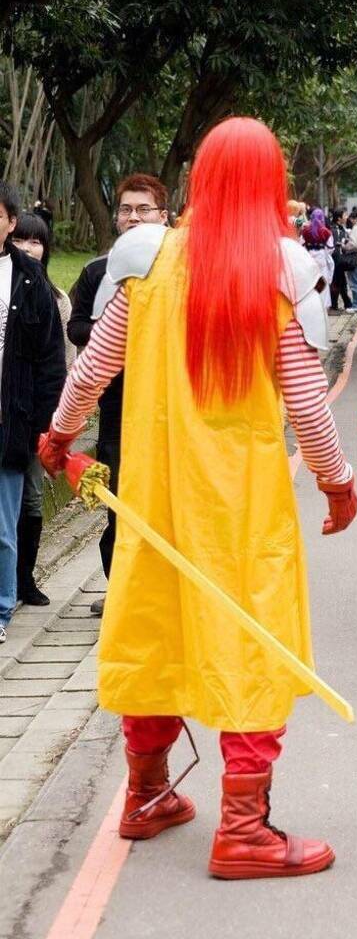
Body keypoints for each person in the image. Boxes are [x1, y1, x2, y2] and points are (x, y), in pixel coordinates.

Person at [39, 117, 357, 879]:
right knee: (251, 642)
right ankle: (245, 831)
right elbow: (307, 400)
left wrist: (58, 436)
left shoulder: (146, 263)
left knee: (153, 630)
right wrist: (337, 479)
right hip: (241, 509)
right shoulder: (280, 270)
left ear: (201, 181)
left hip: (156, 497)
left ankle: (147, 796)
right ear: (269, 183)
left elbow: (92, 369)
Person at [68, 173, 169, 617]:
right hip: (118, 408)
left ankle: (167, 593)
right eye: (126, 209)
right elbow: (77, 329)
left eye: (143, 209)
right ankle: (121, 593)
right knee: (119, 504)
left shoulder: (182, 272)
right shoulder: (97, 271)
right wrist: (123, 337)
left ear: (163, 216)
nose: (134, 217)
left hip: (173, 409)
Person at [0, 184, 65, 644]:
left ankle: (2, 609)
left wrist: (45, 424)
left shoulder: (29, 279)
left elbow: (49, 360)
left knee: (5, 526)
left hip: (11, 422)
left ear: (10, 221)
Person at [12, 213, 76, 607]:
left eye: (36, 241)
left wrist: (56, 423)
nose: (28, 248)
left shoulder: (58, 301)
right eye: (20, 240)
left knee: (31, 498)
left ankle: (24, 579)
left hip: (37, 417)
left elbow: (65, 366)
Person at [301, 208, 334, 308]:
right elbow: (331, 247)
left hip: (309, 258)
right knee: (323, 282)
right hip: (322, 258)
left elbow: (301, 244)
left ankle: (311, 305)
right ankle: (323, 306)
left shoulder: (305, 231)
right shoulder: (326, 232)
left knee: (311, 282)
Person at [329, 208, 352, 312]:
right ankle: (336, 304)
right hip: (336, 261)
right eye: (344, 215)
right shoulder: (335, 230)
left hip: (338, 261)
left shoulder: (340, 228)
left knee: (340, 282)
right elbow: (335, 246)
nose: (346, 217)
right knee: (337, 282)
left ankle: (345, 303)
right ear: (339, 218)